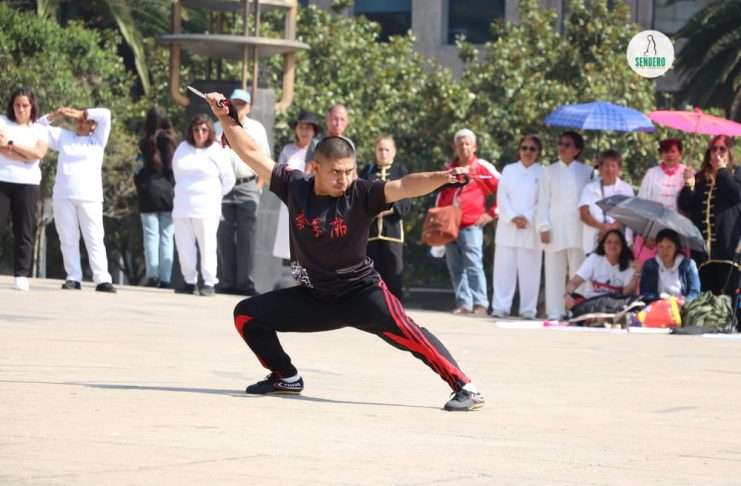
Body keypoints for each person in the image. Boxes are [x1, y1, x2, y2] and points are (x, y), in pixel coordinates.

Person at [207, 91, 484, 411]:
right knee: (246, 315)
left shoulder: (361, 193)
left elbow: (405, 185)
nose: (345, 179)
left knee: (412, 334)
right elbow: (250, 151)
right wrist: (225, 117)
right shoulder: (294, 186)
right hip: (314, 298)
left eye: (349, 171)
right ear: (315, 167)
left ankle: (466, 387)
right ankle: (285, 376)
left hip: (361, 294)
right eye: (336, 172)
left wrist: (443, 178)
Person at [37, 105, 116, 292]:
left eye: (86, 121)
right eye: (79, 121)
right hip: (64, 196)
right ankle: (73, 277)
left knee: (94, 238)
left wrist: (83, 113)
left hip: (90, 197)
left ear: (93, 125)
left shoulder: (98, 140)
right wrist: (56, 114)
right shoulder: (64, 137)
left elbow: (106, 114)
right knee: (68, 238)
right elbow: (37, 127)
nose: (81, 123)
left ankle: (102, 279)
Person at [437, 129, 499, 316]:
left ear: (474, 147)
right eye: (460, 144)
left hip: (471, 224)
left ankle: (480, 304)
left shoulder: (481, 167)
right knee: (455, 266)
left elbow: (504, 188)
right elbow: (441, 195)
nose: (463, 147)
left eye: (467, 144)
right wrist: (439, 222)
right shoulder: (449, 169)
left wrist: (492, 213)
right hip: (450, 225)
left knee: (473, 264)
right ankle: (464, 304)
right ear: (454, 147)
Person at [172, 114, 235, 296]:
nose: (200, 133)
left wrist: (214, 195)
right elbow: (176, 173)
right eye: (196, 129)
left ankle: (209, 282)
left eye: (204, 130)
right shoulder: (182, 148)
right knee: (184, 246)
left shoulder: (217, 150)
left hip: (206, 207)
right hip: (182, 206)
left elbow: (228, 179)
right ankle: (189, 281)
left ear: (210, 131)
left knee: (207, 246)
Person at [215, 89, 270, 296]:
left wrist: (258, 186)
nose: (238, 107)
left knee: (247, 236)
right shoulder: (217, 126)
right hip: (223, 187)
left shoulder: (257, 128)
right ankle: (227, 281)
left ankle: (245, 282)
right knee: (224, 235)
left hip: (248, 184)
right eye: (235, 103)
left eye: (242, 104)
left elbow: (265, 158)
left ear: (249, 107)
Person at [536, 131, 593, 320]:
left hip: (579, 228)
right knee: (554, 271)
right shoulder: (548, 170)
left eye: (567, 145)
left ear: (577, 150)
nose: (562, 148)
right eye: (560, 143)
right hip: (555, 227)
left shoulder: (587, 172)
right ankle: (554, 311)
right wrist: (543, 226)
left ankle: (578, 309)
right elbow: (543, 201)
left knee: (579, 270)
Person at [678, 135, 741, 294]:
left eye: (722, 149)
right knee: (705, 299)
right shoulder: (700, 178)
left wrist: (722, 171)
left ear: (729, 152)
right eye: (714, 149)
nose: (717, 153)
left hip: (729, 250)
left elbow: (736, 194)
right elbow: (685, 206)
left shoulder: (737, 173)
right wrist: (688, 185)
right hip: (703, 254)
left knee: (727, 300)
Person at [0, 88, 48, 291]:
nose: (20, 109)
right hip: (2, 180)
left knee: (24, 230)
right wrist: (25, 155)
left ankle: (21, 274)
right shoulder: (2, 122)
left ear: (32, 106)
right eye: (17, 105)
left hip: (28, 184)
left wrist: (11, 145)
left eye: (25, 105)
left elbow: (38, 154)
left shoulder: (40, 128)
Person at [491, 134, 544, 319]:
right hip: (508, 228)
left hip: (531, 229)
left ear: (538, 152)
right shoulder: (509, 170)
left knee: (531, 272)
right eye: (524, 148)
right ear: (519, 150)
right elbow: (502, 196)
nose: (528, 152)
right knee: (503, 270)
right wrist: (513, 217)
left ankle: (528, 309)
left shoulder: (543, 173)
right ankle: (500, 307)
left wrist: (527, 217)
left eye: (532, 149)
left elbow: (543, 201)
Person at [359, 135, 411, 302]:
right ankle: (372, 309)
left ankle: (396, 311)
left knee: (394, 275)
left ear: (394, 152)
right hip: (370, 234)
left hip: (392, 234)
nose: (383, 153)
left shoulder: (400, 171)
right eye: (380, 149)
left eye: (387, 149)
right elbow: (359, 198)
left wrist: (386, 210)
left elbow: (406, 202)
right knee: (370, 276)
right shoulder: (367, 171)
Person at [134, 107, 177, 288]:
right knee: (167, 236)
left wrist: (140, 184)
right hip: (168, 193)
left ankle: (153, 276)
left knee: (151, 236)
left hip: (148, 192)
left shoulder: (144, 143)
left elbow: (136, 169)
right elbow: (174, 170)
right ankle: (165, 279)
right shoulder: (172, 142)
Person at [273, 110, 321, 260]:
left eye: (308, 128)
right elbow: (279, 174)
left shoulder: (319, 151)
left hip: (311, 201)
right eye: (301, 127)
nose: (304, 131)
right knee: (289, 244)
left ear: (314, 131)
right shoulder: (287, 150)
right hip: (290, 200)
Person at [634, 139, 688, 267]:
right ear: (661, 154)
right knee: (650, 269)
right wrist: (645, 233)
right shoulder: (652, 173)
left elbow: (691, 203)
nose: (669, 155)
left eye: (673, 151)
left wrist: (690, 181)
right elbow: (641, 204)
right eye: (665, 151)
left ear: (680, 154)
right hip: (653, 233)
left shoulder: (688, 173)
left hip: (678, 232)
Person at [564, 229, 638, 311]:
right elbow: (574, 282)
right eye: (609, 242)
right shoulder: (594, 259)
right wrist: (567, 295)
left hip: (615, 307)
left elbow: (626, 293)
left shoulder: (629, 265)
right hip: (592, 305)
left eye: (617, 242)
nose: (613, 245)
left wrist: (637, 274)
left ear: (622, 246)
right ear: (603, 245)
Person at [578, 149, 634, 254]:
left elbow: (629, 214)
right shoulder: (589, 188)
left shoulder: (626, 189)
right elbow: (583, 214)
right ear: (600, 167)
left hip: (620, 242)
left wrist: (610, 229)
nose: (609, 169)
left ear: (619, 168)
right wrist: (601, 227)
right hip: (594, 242)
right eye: (606, 165)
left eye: (613, 165)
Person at [639, 229, 700, 303]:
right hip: (658, 305)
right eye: (661, 246)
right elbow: (645, 294)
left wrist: (682, 302)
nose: (665, 251)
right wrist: (661, 297)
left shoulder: (689, 265)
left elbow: (695, 292)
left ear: (676, 247)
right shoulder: (649, 265)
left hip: (682, 306)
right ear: (656, 247)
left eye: (669, 247)